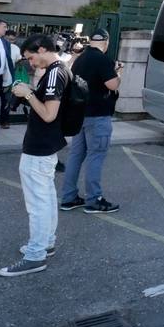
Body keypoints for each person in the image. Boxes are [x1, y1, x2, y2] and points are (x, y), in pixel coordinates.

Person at [1, 34, 69, 277]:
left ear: (42, 49)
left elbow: (49, 114)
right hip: (47, 144)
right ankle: (45, 243)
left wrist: (26, 94)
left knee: (38, 203)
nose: (30, 63)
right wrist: (31, 90)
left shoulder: (54, 73)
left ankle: (35, 255)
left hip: (40, 145)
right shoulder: (59, 70)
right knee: (47, 197)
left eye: (31, 57)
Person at [60, 30, 121, 215]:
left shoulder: (81, 59)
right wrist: (118, 74)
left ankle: (69, 197)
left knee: (75, 156)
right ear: (106, 42)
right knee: (96, 156)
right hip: (98, 115)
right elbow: (113, 85)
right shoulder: (103, 60)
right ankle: (94, 200)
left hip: (80, 115)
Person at [0, 29, 22, 129]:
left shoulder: (16, 49)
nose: (9, 41)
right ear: (4, 37)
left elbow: (18, 62)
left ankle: (4, 122)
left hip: (9, 81)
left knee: (6, 103)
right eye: (8, 39)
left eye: (12, 40)